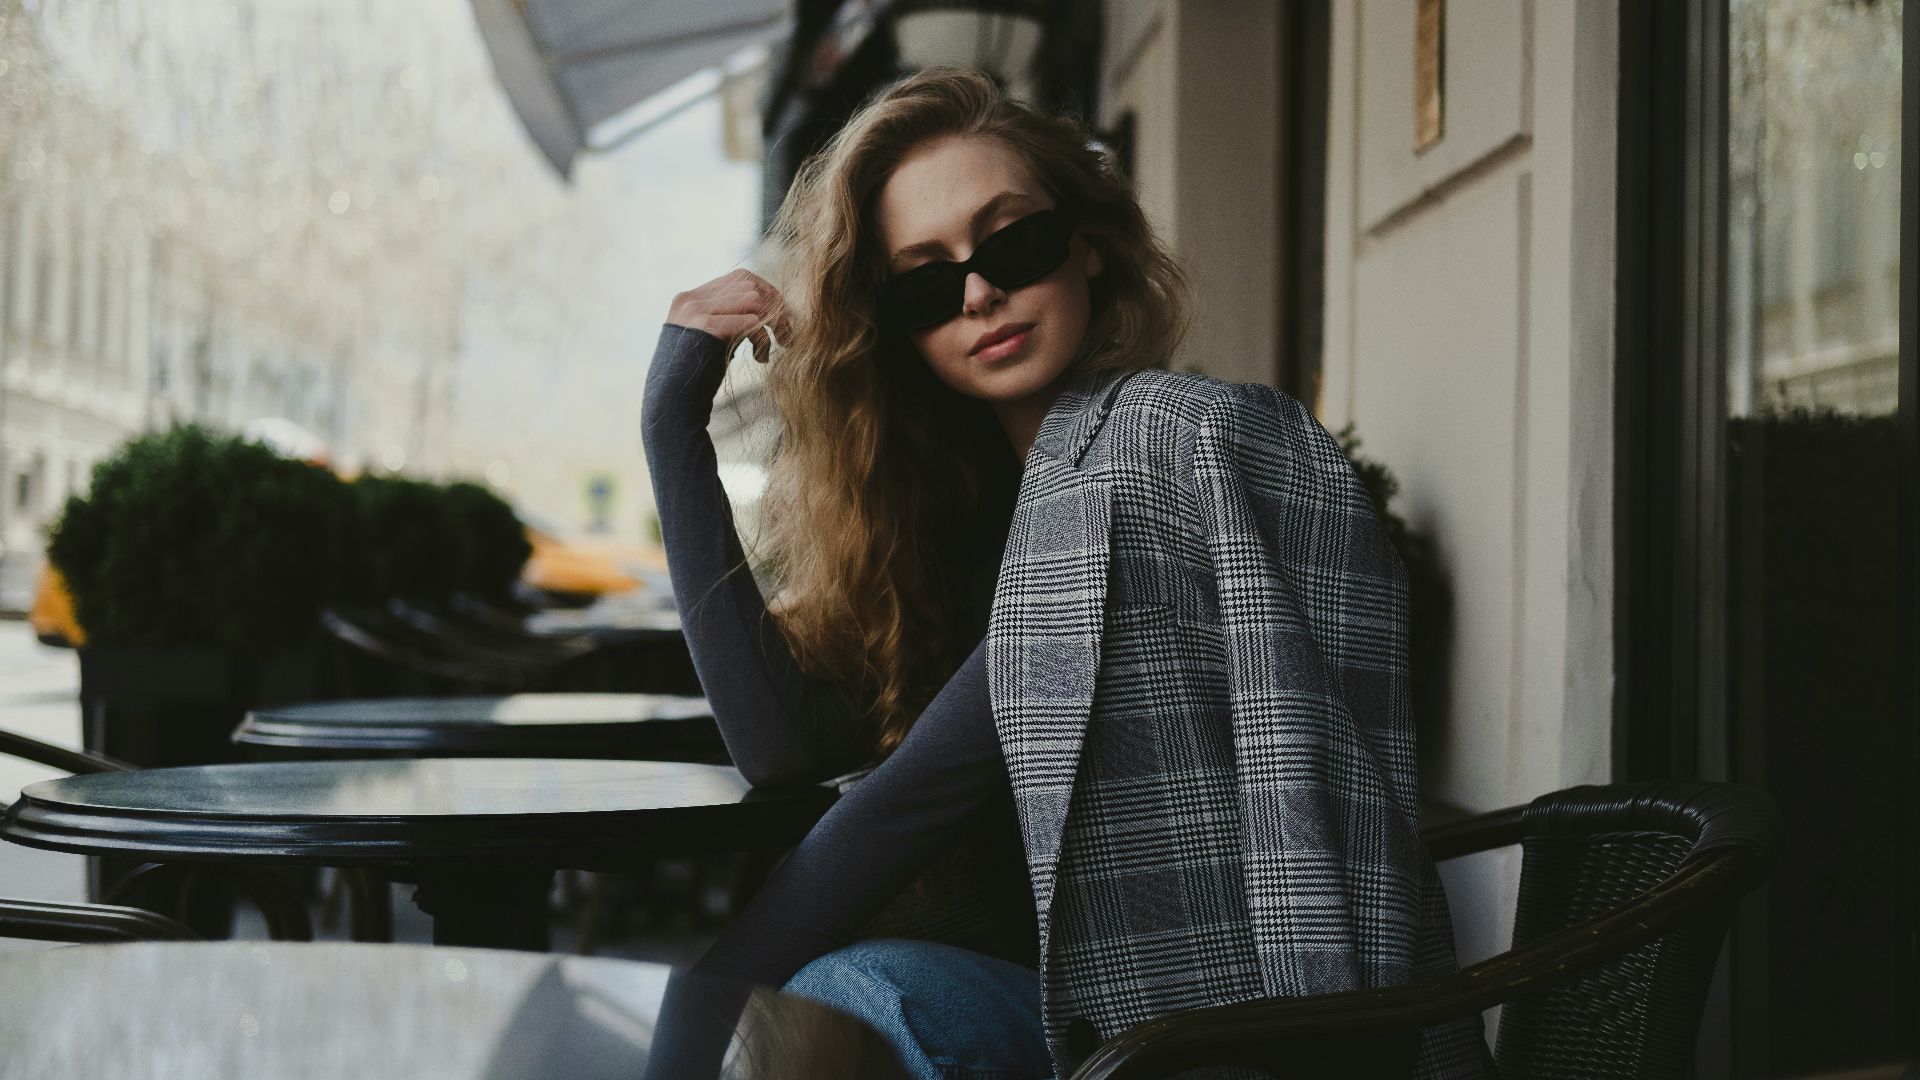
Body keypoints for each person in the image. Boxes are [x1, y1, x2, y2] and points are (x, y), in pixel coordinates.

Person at [642, 67, 1484, 1079]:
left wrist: (691, 1022)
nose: (978, 292)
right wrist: (670, 429)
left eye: (1013, 243)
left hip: (1200, 1032)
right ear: (896, 326)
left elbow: (899, 812)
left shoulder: (1157, 455)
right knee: (847, 998)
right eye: (926, 282)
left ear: (1088, 242)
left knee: (848, 1001)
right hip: (1058, 1016)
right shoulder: (957, 517)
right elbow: (783, 746)